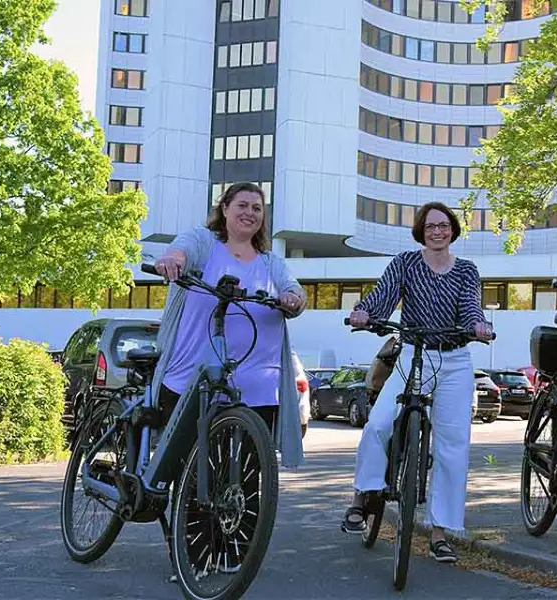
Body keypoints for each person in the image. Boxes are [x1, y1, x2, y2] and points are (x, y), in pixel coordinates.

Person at [340, 201, 493, 564]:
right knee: (378, 424)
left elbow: (471, 307)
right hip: (413, 353)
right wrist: (365, 313)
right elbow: (383, 296)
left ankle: (440, 532)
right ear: (421, 231)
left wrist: (478, 326)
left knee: (452, 447)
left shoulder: (467, 271)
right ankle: (364, 495)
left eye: (443, 226)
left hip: (454, 361)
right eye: (430, 226)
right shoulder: (406, 263)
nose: (437, 231)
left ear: (453, 230)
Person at [150, 181, 307, 469]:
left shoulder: (271, 263)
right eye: (242, 205)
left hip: (258, 388)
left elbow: (295, 289)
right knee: (193, 473)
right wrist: (173, 259)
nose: (250, 213)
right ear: (224, 209)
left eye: (257, 208)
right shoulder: (205, 243)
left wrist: (293, 298)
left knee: (247, 480)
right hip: (196, 379)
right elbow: (182, 249)